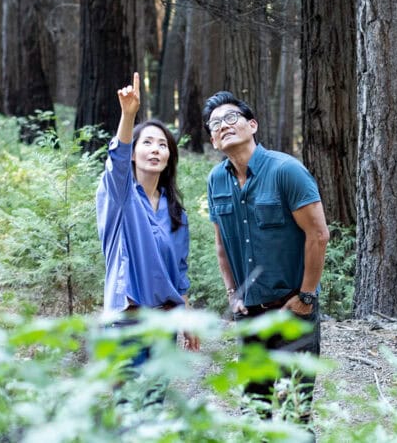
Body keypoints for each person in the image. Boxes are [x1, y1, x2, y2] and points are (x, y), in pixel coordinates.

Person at [203, 91, 330, 422]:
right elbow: (222, 244)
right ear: (213, 139)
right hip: (250, 315)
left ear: (252, 125)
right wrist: (233, 294)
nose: (224, 126)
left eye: (231, 118)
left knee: (293, 413)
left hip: (293, 311)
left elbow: (318, 235)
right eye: (215, 124)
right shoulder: (216, 180)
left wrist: (306, 296)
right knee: (253, 411)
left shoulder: (286, 170)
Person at [97, 72, 199, 377]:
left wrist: (186, 318)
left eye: (163, 145)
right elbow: (117, 162)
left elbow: (179, 275)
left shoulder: (176, 211)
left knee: (154, 409)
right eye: (148, 143)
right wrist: (128, 115)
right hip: (126, 323)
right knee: (130, 413)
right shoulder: (120, 196)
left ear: (170, 157)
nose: (156, 149)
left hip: (164, 325)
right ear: (134, 152)